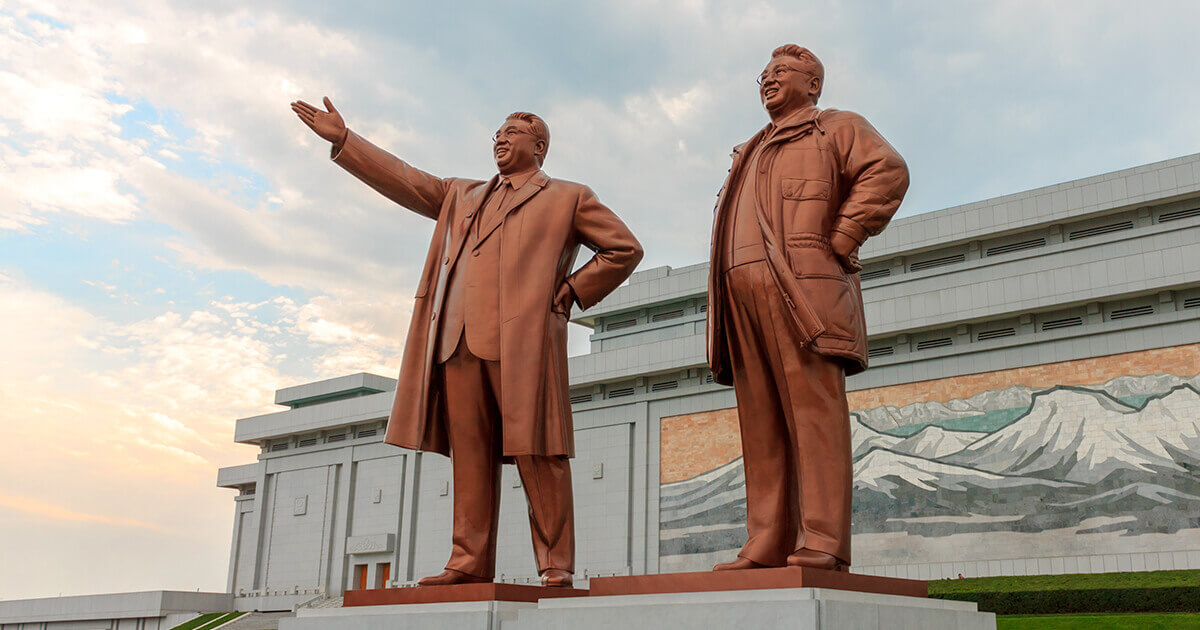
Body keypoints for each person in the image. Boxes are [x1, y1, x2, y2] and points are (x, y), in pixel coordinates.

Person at [291, 98, 643, 588]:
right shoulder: (462, 195)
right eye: (497, 132)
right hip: (456, 342)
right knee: (471, 458)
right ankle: (468, 560)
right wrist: (346, 141)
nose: (500, 138)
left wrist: (567, 294)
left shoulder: (568, 197)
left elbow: (624, 248)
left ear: (539, 147)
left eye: (513, 132)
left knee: (539, 453)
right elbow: (406, 180)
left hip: (524, 344)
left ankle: (555, 564)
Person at [706, 45, 909, 572]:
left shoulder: (835, 127)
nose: (768, 80)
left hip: (800, 291)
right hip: (741, 294)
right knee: (761, 421)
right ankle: (767, 541)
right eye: (764, 74)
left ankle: (822, 540)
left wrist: (843, 235)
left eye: (782, 72)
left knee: (813, 414)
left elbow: (888, 170)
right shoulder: (748, 148)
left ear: (813, 84)